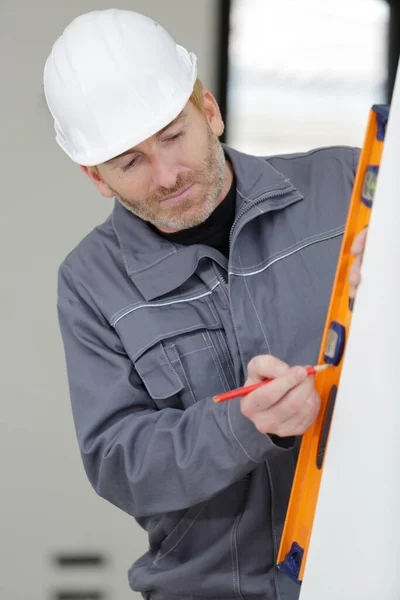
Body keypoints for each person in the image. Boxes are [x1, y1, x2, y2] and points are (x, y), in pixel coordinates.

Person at [44, 8, 367, 600]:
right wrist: (242, 424)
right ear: (96, 176)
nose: (167, 175)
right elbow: (121, 460)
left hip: (369, 568)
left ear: (209, 110)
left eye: (172, 136)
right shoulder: (91, 282)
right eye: (130, 161)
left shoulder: (348, 189)